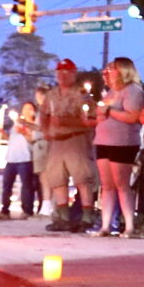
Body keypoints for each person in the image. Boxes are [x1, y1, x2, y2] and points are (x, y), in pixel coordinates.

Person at [37, 59, 99, 233]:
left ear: (73, 73)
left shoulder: (81, 94)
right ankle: (63, 218)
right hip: (56, 141)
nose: (62, 76)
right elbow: (43, 114)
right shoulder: (52, 94)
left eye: (66, 72)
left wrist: (67, 121)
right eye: (59, 72)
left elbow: (91, 120)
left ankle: (87, 217)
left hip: (76, 139)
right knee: (57, 179)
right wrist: (46, 130)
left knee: (82, 179)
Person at [90, 57, 144, 235]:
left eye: (113, 68)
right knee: (107, 185)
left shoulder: (133, 91)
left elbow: (132, 116)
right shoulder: (111, 92)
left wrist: (109, 111)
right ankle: (106, 225)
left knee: (122, 184)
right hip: (103, 141)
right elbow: (102, 115)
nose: (108, 71)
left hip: (123, 142)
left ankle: (129, 226)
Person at [0, 103, 38, 219]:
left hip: (25, 158)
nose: (27, 110)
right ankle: (5, 211)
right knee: (7, 186)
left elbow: (33, 140)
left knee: (26, 186)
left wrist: (24, 132)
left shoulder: (34, 125)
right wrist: (3, 133)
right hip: (11, 159)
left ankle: (27, 211)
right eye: (25, 108)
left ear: (34, 112)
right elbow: (11, 140)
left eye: (30, 109)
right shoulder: (16, 124)